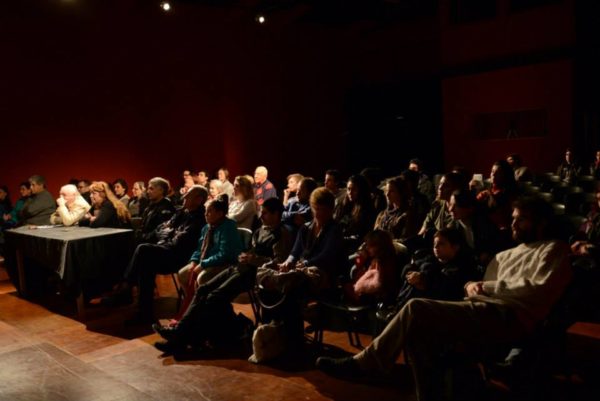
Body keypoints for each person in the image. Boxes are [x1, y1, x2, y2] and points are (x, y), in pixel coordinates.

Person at [316, 197, 572, 401]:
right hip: (479, 308)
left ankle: (367, 363)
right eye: (513, 218)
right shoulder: (505, 255)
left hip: (511, 317)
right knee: (418, 331)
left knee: (416, 308)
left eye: (522, 219)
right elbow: (480, 288)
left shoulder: (554, 250)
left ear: (540, 222)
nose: (514, 224)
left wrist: (485, 287)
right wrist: (472, 286)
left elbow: (537, 288)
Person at [152, 197, 293, 353]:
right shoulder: (261, 230)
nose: (261, 216)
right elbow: (251, 252)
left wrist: (252, 259)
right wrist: (246, 256)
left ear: (276, 214)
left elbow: (279, 263)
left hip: (255, 274)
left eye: (265, 213)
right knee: (203, 289)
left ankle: (184, 337)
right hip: (240, 267)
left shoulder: (282, 234)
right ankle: (181, 334)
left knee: (214, 297)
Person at [98, 185, 209, 321]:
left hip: (181, 257)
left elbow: (179, 241)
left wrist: (169, 233)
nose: (183, 197)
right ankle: (143, 311)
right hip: (167, 249)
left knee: (143, 249)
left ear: (199, 200)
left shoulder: (201, 218)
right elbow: (162, 228)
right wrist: (169, 233)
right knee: (145, 263)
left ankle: (127, 290)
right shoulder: (182, 211)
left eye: (188, 195)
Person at [177, 195, 243, 288]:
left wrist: (203, 264)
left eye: (209, 211)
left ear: (220, 214)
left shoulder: (228, 227)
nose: (206, 214)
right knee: (183, 274)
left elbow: (225, 254)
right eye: (206, 211)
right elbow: (200, 248)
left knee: (202, 277)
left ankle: (205, 297)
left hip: (226, 263)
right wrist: (194, 261)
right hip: (208, 260)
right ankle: (193, 296)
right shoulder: (207, 228)